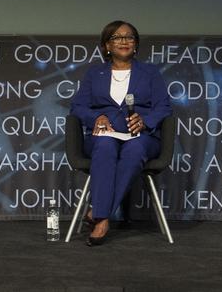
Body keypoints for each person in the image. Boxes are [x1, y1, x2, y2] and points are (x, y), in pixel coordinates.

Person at [70, 20, 172, 246]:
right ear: (107, 45)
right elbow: (77, 106)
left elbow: (163, 107)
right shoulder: (95, 73)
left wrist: (145, 122)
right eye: (117, 37)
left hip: (141, 136)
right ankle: (103, 216)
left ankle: (99, 215)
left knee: (135, 149)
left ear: (136, 44)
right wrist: (96, 118)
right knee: (105, 145)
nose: (124, 41)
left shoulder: (150, 73)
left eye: (129, 37)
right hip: (104, 135)